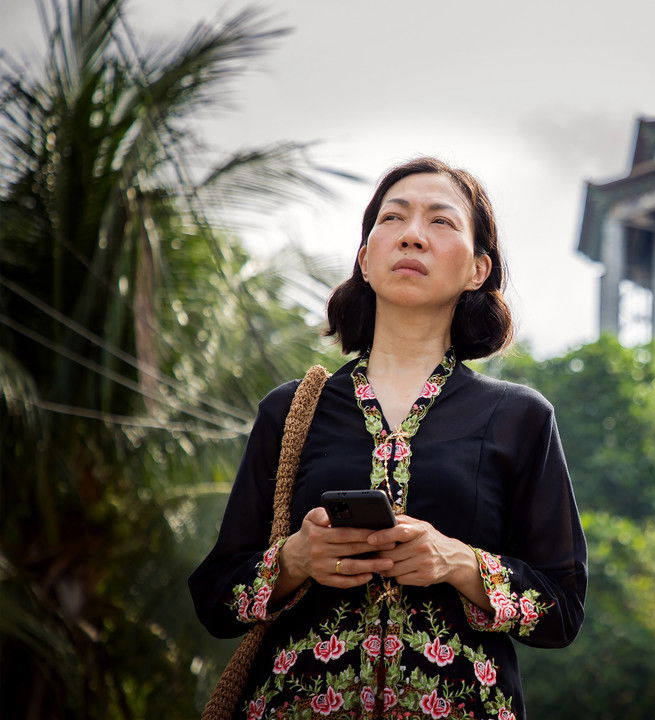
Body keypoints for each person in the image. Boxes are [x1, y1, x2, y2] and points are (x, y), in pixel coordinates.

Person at [190, 156, 587, 720]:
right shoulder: (290, 411)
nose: (413, 236)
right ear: (365, 259)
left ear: (478, 269)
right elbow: (214, 599)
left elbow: (563, 611)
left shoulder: (520, 418)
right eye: (393, 219)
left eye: (441, 222)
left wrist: (457, 562)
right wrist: (297, 559)